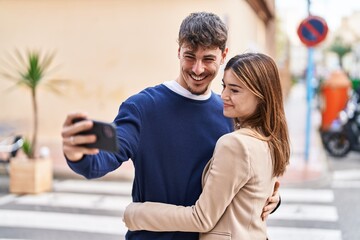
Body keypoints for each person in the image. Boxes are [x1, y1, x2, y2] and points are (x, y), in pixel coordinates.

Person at [61, 12, 281, 240]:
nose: (197, 69)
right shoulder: (143, 107)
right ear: (178, 51)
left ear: (223, 55)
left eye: (208, 59)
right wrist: (78, 155)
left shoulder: (230, 114)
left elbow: (242, 179)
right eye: (189, 56)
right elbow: (101, 161)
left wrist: (269, 198)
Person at [123, 52, 290, 239]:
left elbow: (202, 218)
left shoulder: (235, 143)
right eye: (224, 86)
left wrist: (135, 213)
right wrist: (273, 199)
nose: (224, 95)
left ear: (261, 95)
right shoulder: (270, 138)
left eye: (234, 90)